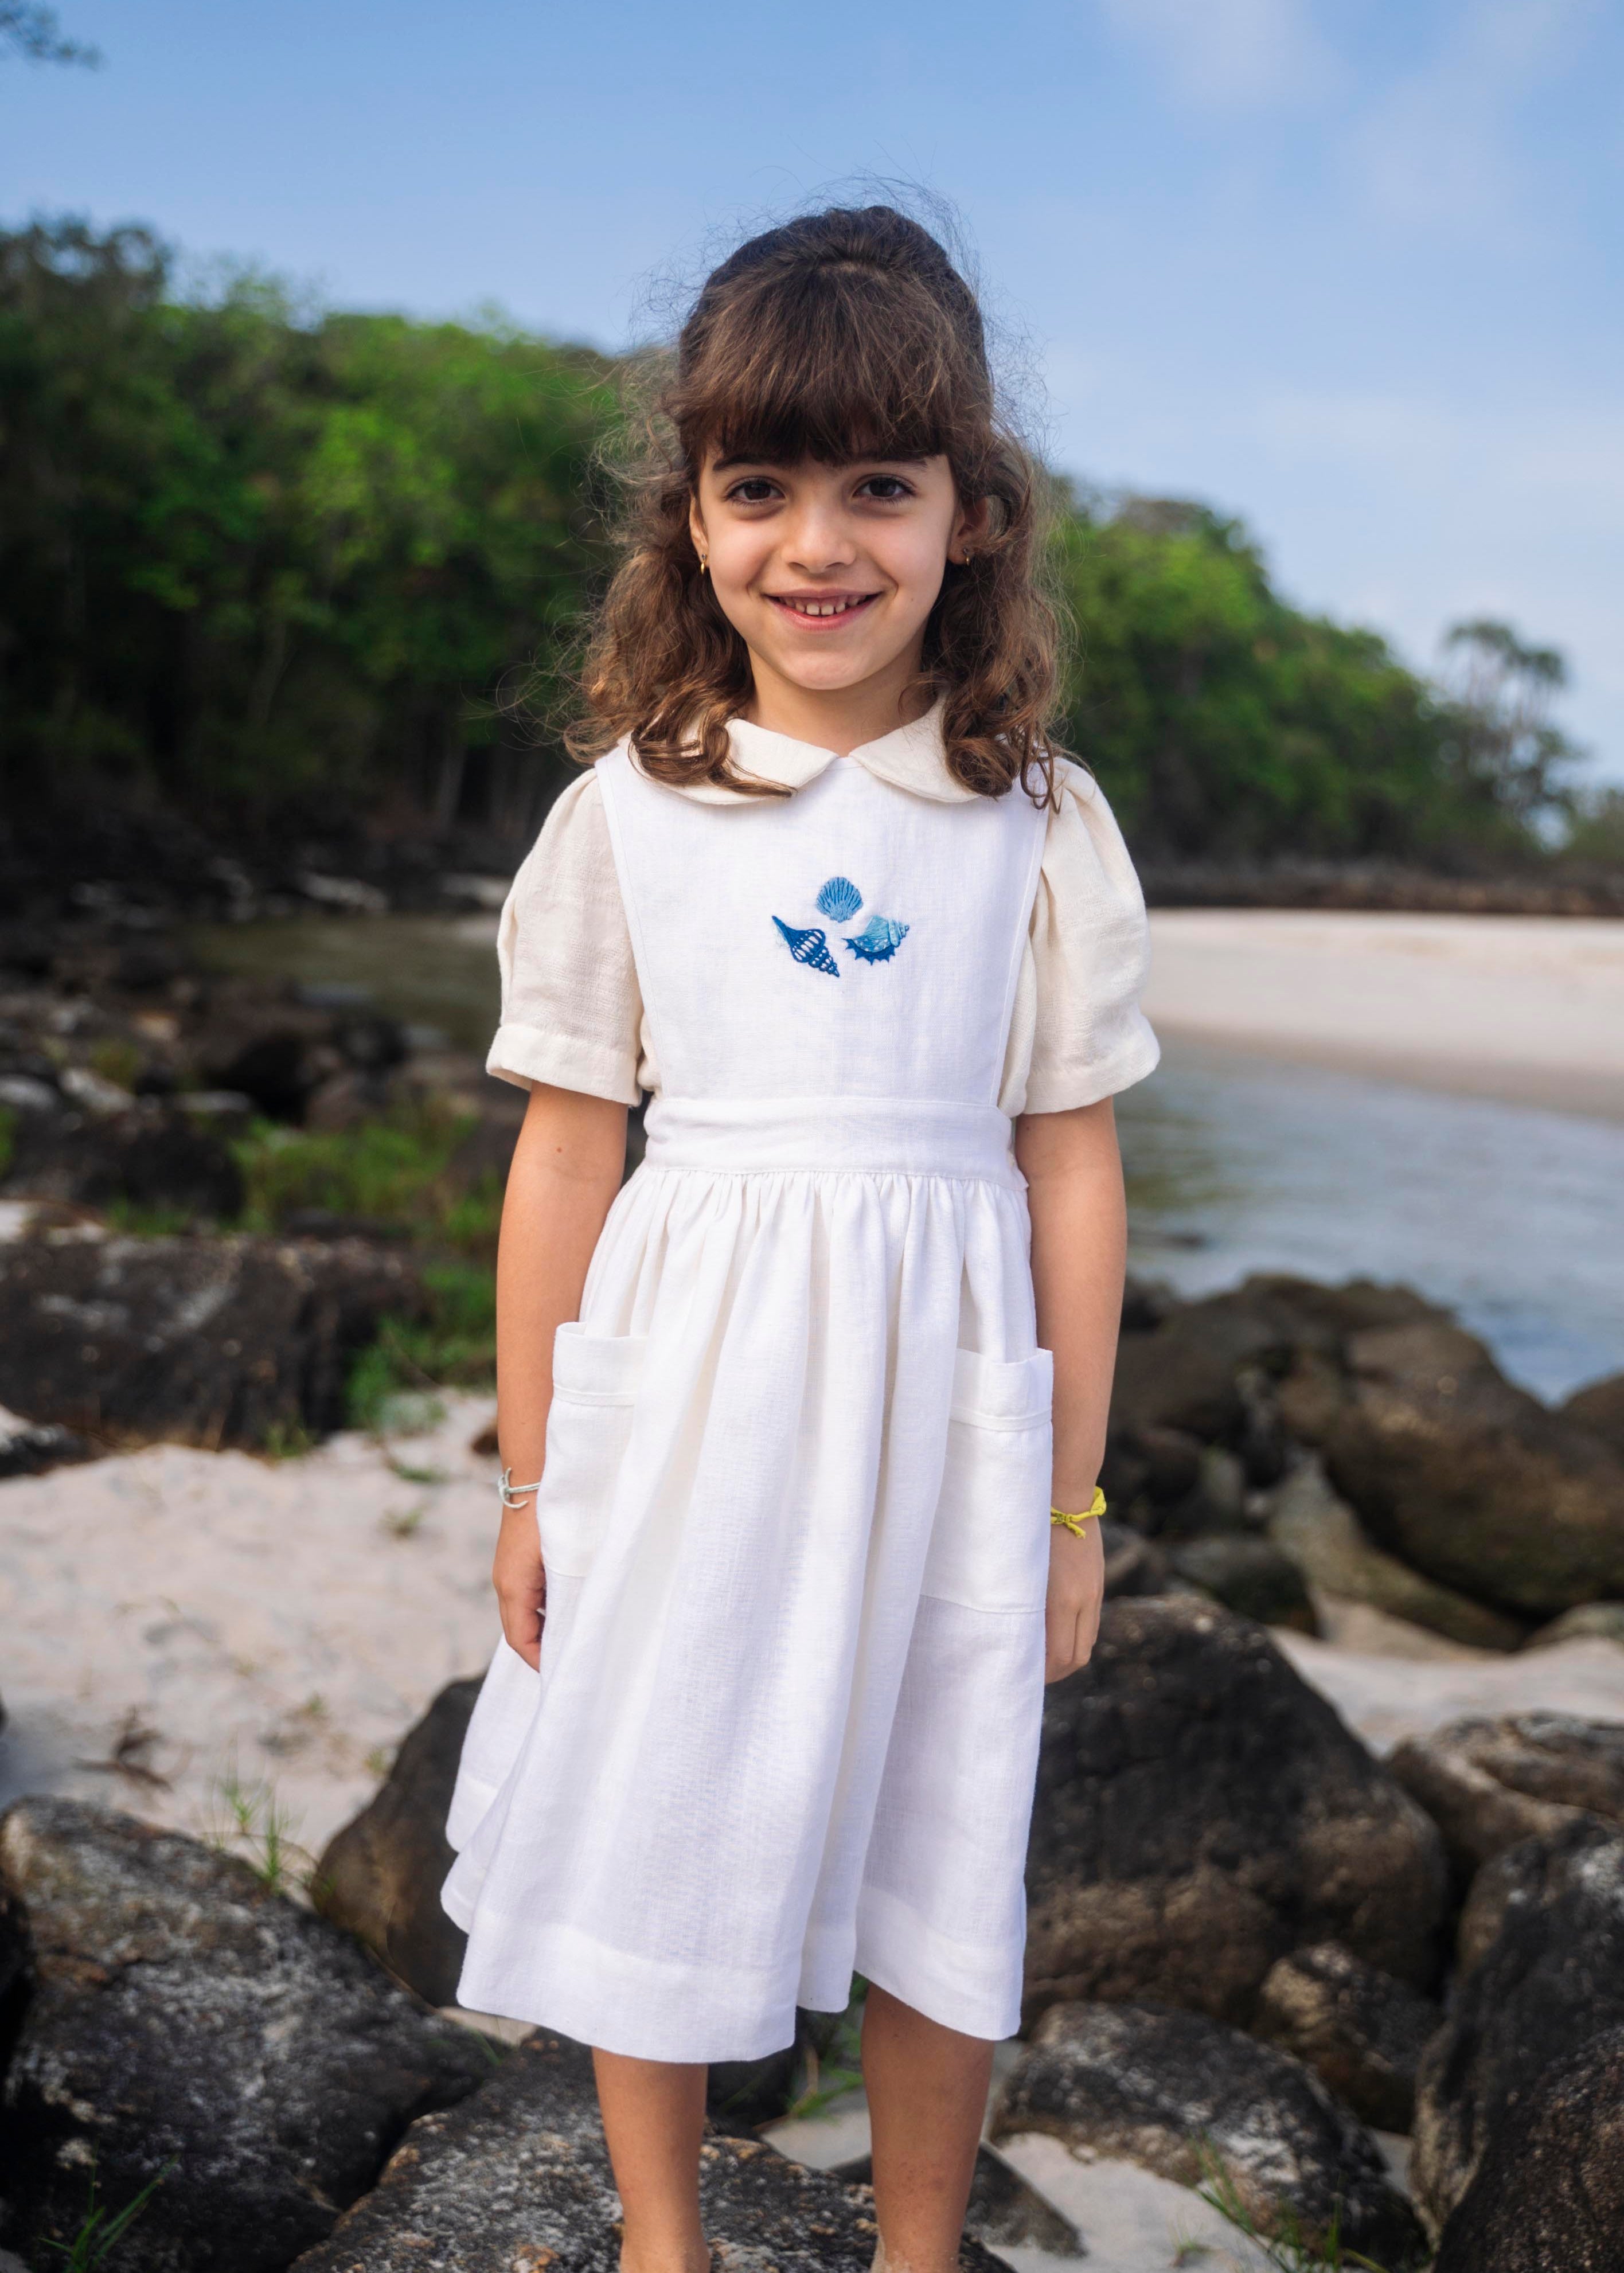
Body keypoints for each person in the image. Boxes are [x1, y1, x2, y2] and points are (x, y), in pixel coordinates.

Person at [441, 204, 1160, 2273]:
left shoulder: (1033, 818)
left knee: (950, 1819)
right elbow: (569, 1155)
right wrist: (530, 1470)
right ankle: (666, 2236)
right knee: (664, 1771)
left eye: (881, 486)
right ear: (689, 519)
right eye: (761, 487)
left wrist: (1074, 1492)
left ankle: (914, 2245)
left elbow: (1073, 1170)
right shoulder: (630, 814)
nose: (817, 542)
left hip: (951, 1402)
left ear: (971, 517)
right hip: (688, 1395)